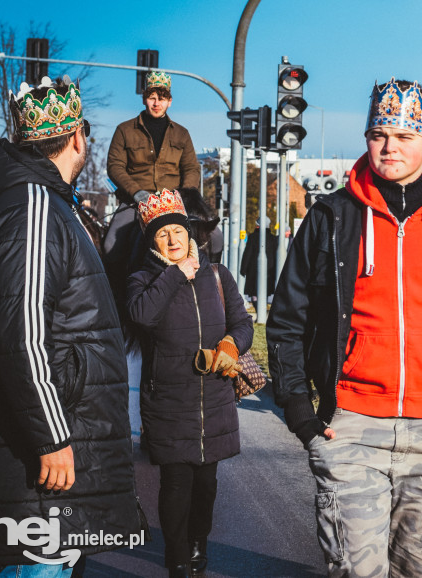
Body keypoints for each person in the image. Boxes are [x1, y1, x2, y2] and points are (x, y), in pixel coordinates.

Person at [267, 78, 422, 577]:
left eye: (404, 136)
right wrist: (300, 412)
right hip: (351, 429)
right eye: (379, 134)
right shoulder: (330, 217)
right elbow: (287, 318)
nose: (390, 147)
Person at [0, 77, 143, 575]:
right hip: (42, 463)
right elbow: (19, 333)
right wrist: (51, 437)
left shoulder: (41, 201)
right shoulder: (33, 204)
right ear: (78, 139)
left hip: (53, 452)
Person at [126, 189, 253, 578]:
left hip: (213, 396)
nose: (173, 240)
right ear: (152, 241)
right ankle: (177, 558)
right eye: (162, 235)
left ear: (190, 233)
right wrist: (174, 275)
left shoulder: (218, 275)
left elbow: (243, 323)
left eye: (178, 232)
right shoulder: (142, 280)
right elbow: (142, 316)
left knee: (207, 484)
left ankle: (199, 542)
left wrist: (232, 344)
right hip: (168, 399)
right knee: (176, 482)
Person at [104, 71, 201, 315]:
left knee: (216, 237)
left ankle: (208, 292)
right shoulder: (124, 130)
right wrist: (137, 193)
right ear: (144, 98)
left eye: (162, 97)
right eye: (152, 96)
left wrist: (184, 197)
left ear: (170, 101)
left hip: (174, 204)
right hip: (135, 204)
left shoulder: (182, 133)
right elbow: (114, 165)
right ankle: (115, 304)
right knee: (110, 246)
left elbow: (191, 167)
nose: (157, 102)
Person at [239, 217, 277, 304]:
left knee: (254, 293)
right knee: (265, 292)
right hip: (269, 272)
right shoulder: (273, 239)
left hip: (254, 271)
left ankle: (259, 313)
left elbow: (247, 254)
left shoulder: (252, 237)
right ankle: (262, 312)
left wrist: (243, 269)